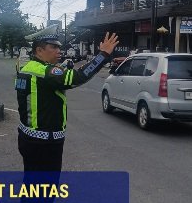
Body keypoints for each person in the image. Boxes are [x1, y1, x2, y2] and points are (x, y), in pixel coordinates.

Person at [16, 29, 119, 172]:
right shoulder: (44, 72)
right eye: (53, 47)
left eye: (59, 47)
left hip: (28, 137)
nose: (59, 50)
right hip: (44, 143)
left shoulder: (27, 68)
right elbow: (78, 77)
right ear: (39, 50)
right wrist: (103, 55)